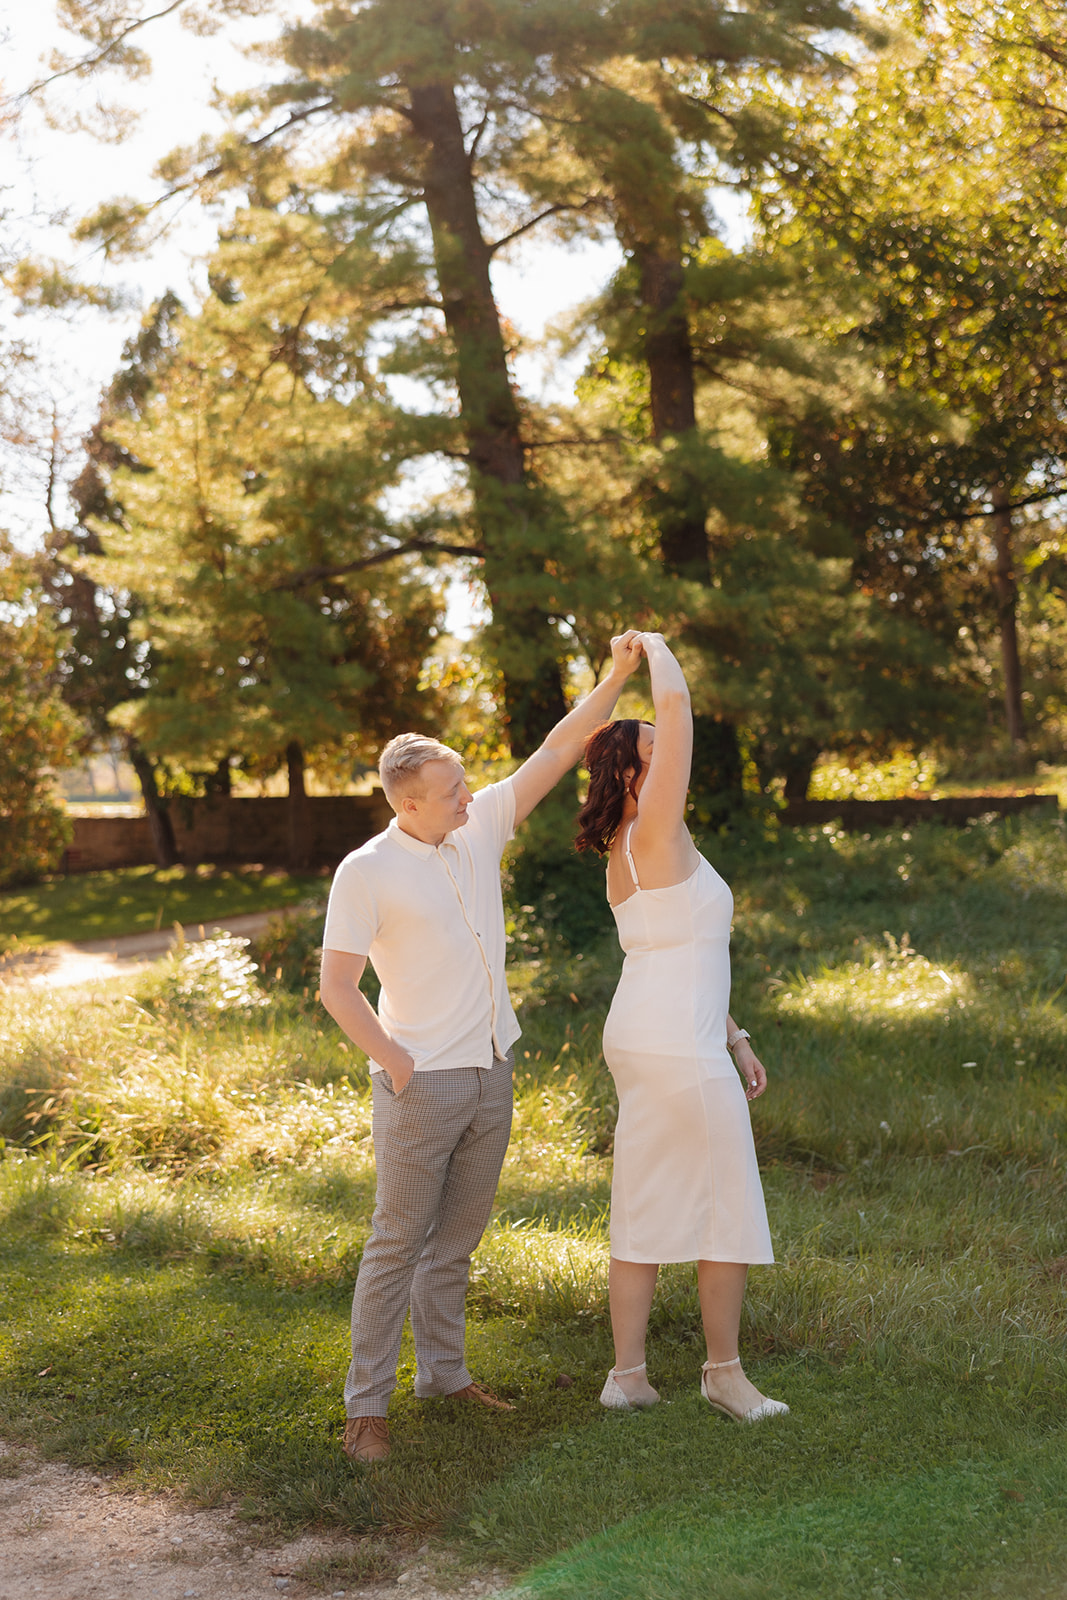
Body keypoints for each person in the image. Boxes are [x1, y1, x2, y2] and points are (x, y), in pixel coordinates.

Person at [320, 632, 645, 1463]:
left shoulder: (479, 827)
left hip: (489, 1074)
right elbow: (336, 988)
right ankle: (366, 1408)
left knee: (456, 1243)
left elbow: (557, 747)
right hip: (417, 1085)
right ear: (407, 805)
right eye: (451, 789)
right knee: (396, 1243)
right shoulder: (365, 871)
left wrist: (612, 678)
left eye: (466, 781)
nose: (469, 795)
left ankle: (444, 1376)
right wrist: (395, 1062)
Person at [575, 633, 788, 1423]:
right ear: (633, 774)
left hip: (651, 1031)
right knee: (722, 1203)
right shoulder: (655, 829)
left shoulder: (628, 849)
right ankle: (723, 1375)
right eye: (657, 752)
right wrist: (654, 646)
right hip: (671, 1043)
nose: (671, 758)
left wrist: (734, 1036)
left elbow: (680, 950)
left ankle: (626, 1376)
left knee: (643, 1198)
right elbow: (677, 704)